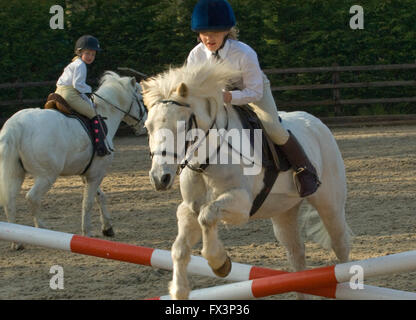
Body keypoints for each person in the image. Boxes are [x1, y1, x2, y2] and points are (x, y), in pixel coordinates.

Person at [187, 0, 320, 197]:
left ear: (226, 31)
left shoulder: (244, 53)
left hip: (251, 90)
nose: (208, 38)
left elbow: (254, 91)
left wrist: (229, 96)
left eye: (214, 32)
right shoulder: (195, 55)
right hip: (217, 97)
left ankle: (304, 170)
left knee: (272, 126)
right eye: (204, 33)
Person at [55, 35, 110, 156]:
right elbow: (78, 86)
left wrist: (89, 101)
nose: (90, 57)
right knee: (95, 115)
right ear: (80, 52)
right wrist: (90, 90)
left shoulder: (74, 63)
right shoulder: (81, 65)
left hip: (58, 92)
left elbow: (78, 90)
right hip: (69, 94)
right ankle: (100, 147)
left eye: (93, 54)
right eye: (88, 53)